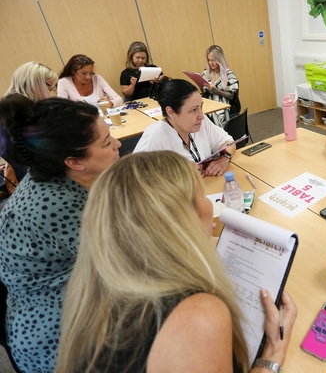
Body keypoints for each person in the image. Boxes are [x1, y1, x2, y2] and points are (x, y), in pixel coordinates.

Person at [55, 150, 297, 372]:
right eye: (203, 195)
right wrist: (273, 354)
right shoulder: (198, 317)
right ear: (182, 220)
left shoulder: (92, 292)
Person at [0, 94, 121, 372]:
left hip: (75, 308)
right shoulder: (57, 205)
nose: (117, 144)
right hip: (57, 342)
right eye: (106, 142)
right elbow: (130, 266)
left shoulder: (58, 176)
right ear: (74, 162)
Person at [133, 79, 235, 177]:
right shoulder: (155, 137)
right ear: (171, 112)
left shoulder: (200, 122)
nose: (201, 116)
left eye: (201, 107)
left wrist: (225, 158)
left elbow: (228, 142)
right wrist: (180, 176)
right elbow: (134, 181)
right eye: (194, 110)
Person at [3, 61, 59, 181]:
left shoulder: (12, 104)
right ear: (32, 83)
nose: (51, 91)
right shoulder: (19, 108)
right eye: (48, 85)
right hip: (39, 174)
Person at [57, 54, 123, 112]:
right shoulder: (64, 83)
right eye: (84, 73)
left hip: (103, 118)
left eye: (90, 73)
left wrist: (111, 103)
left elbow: (119, 99)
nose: (88, 77)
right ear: (73, 71)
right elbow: (61, 109)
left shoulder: (97, 78)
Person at [201, 44, 241, 123]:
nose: (211, 63)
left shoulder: (228, 74)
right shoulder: (206, 73)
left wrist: (216, 90)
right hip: (209, 102)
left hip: (222, 104)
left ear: (219, 60)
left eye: (213, 60)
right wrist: (200, 84)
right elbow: (204, 91)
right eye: (209, 60)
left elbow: (231, 96)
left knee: (213, 116)